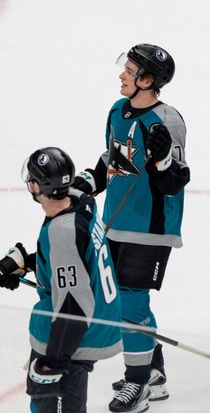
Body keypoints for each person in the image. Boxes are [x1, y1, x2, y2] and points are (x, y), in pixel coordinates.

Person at [71, 44, 190, 412]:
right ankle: (152, 369)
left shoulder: (167, 120)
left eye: (130, 70)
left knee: (132, 302)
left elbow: (175, 182)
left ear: (148, 80)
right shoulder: (116, 111)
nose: (122, 75)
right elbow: (111, 161)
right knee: (121, 300)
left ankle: (137, 385)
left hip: (150, 229)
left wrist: (164, 158)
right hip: (113, 226)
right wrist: (82, 185)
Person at [0, 147, 122, 413]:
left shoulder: (63, 233)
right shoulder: (81, 201)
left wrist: (53, 362)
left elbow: (73, 309)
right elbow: (78, 259)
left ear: (36, 186)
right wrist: (30, 263)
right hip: (91, 322)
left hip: (75, 338)